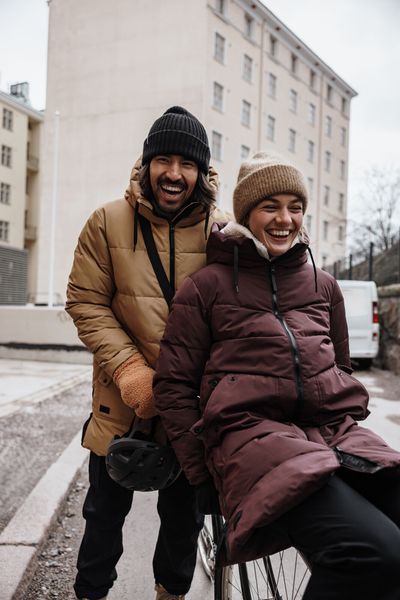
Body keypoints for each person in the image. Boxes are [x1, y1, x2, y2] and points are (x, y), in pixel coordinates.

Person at [153, 151, 400, 600]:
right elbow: (174, 386)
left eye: (295, 206)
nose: (285, 219)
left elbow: (339, 368)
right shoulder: (206, 287)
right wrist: (200, 474)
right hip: (251, 440)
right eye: (270, 206)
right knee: (372, 553)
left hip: (333, 434)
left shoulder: (323, 285)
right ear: (246, 212)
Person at [65, 106, 230, 600]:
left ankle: (170, 594)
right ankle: (90, 594)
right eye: (164, 160)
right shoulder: (107, 221)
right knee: (102, 518)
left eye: (187, 163)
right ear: (147, 163)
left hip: (191, 410)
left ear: (201, 171)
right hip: (122, 403)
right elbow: (85, 301)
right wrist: (128, 368)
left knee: (183, 522)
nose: (174, 174)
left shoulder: (222, 232)